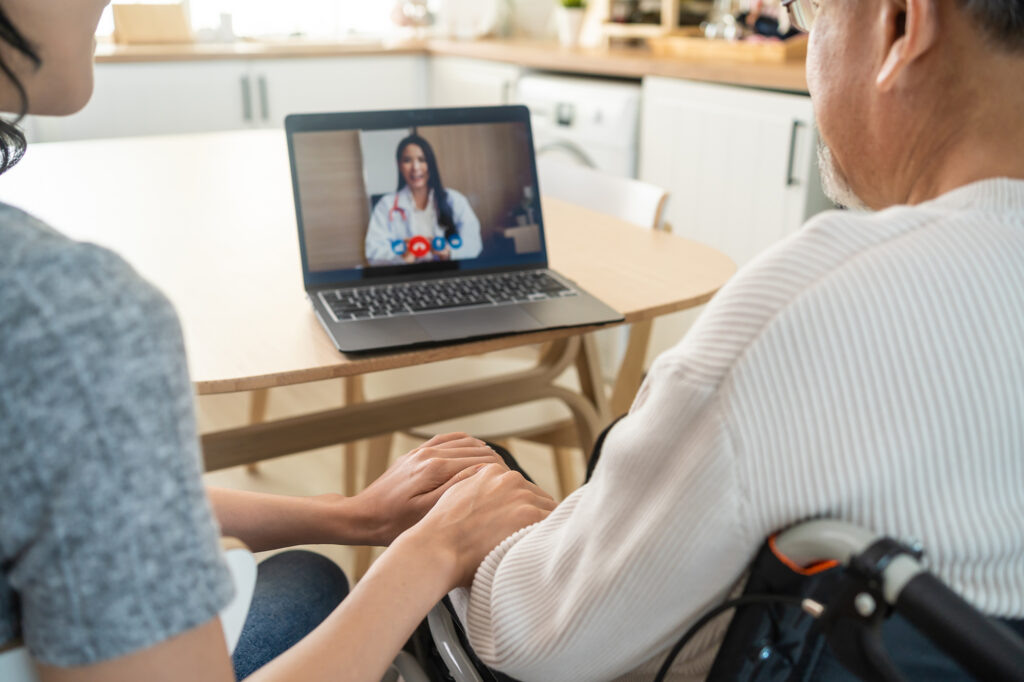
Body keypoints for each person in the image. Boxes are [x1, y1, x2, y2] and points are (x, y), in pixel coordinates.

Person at [449, 0, 1024, 680]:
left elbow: (537, 641)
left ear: (900, 24)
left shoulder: (814, 304)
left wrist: (467, 538)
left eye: (810, 14)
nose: (807, 52)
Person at [0, 2, 556, 682]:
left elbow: (68, 499)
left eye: (419, 160)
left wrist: (350, 515)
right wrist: (433, 552)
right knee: (317, 587)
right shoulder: (68, 322)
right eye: (404, 160)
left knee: (304, 577)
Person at [364, 134, 482, 265]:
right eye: (407, 160)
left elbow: (473, 243)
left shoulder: (454, 200)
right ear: (399, 165)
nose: (415, 167)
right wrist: (401, 257)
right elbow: (373, 254)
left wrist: (449, 253)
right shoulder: (386, 205)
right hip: (406, 276)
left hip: (447, 272)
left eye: (422, 159)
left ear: (430, 164)